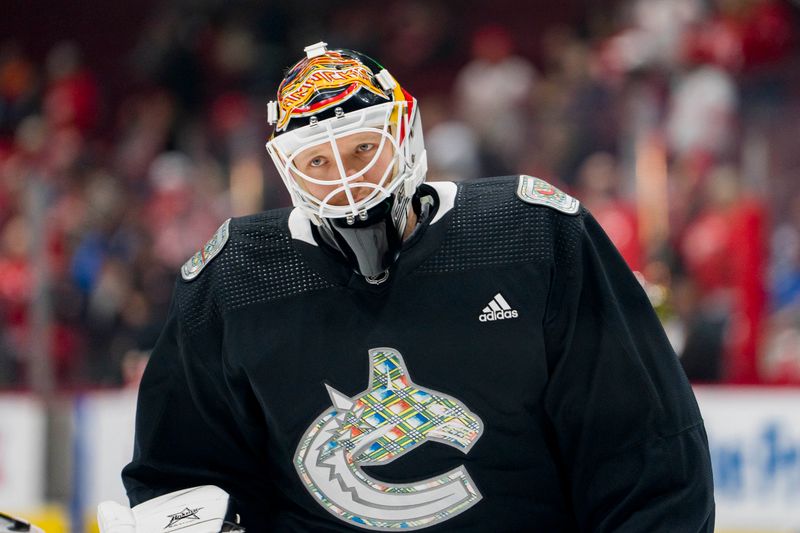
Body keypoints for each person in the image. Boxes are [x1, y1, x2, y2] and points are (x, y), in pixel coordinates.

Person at [100, 42, 715, 532]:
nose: (346, 179)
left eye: (364, 147)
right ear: (286, 168)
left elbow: (645, 447)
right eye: (318, 160)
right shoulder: (232, 280)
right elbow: (180, 474)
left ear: (405, 133)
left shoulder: (534, 235)